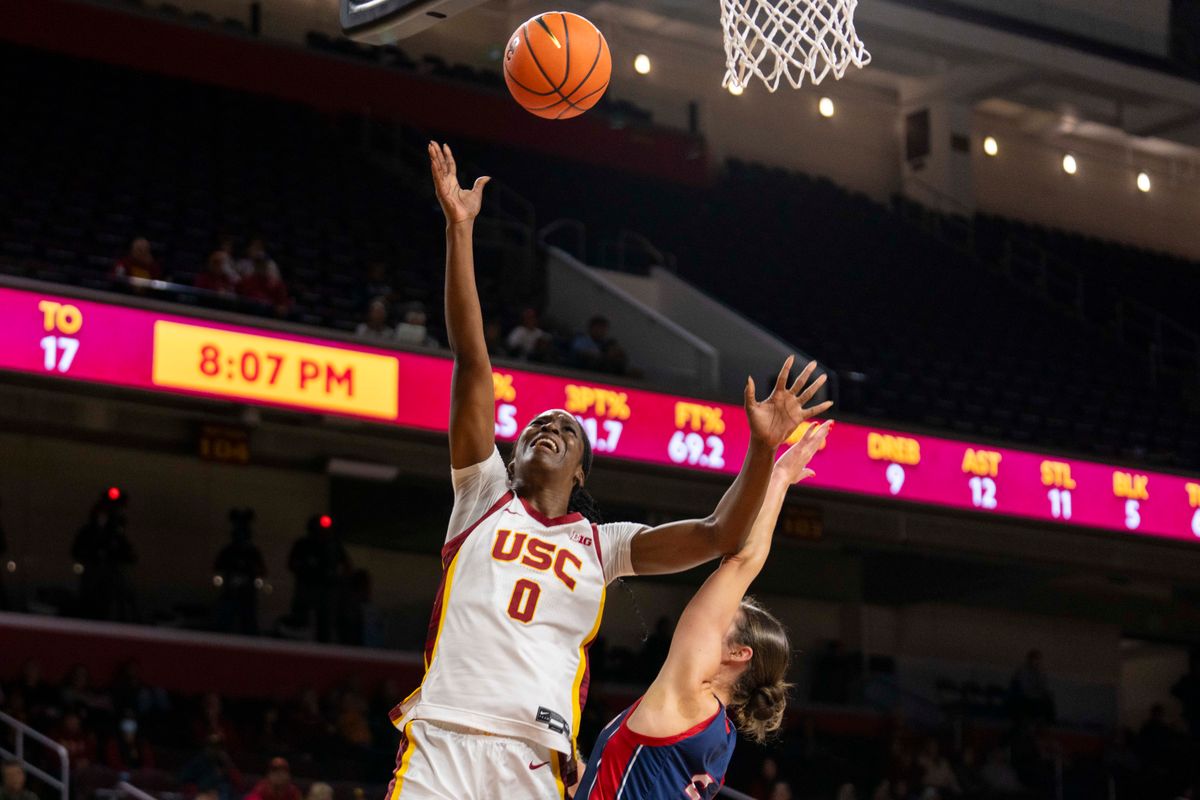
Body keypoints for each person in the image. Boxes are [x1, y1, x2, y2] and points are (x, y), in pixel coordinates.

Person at [384, 142, 831, 799]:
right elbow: (474, 362)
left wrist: (762, 454)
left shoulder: (604, 545)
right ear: (511, 456)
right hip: (444, 734)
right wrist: (459, 228)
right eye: (536, 425)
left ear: (584, 474)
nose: (548, 426)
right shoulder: (481, 496)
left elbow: (718, 536)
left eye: (567, 428)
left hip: (534, 757)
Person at [576, 422, 831, 799]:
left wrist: (778, 477)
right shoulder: (718, 739)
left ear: (739, 653)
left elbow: (741, 563)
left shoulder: (690, 695)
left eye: (730, 614)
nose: (718, 607)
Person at [71, 489, 137, 622]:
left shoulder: (116, 535)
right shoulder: (91, 532)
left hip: (109, 582)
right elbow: (77, 551)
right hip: (94, 582)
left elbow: (128, 555)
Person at [287, 515, 350, 643]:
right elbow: (292, 564)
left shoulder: (333, 546)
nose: (323, 533)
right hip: (306, 588)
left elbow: (347, 566)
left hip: (326, 590)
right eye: (319, 530)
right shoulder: (303, 544)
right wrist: (305, 569)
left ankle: (323, 649)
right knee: (300, 622)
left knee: (325, 625)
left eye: (326, 530)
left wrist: (338, 579)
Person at [213, 508, 266, 635]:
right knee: (225, 620)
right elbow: (217, 568)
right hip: (230, 592)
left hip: (247, 593)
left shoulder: (252, 552)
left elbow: (262, 570)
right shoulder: (229, 551)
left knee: (248, 621)